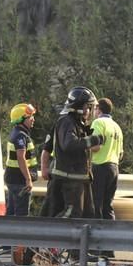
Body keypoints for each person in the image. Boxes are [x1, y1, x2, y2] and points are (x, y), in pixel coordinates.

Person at [45, 87, 105, 219]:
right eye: (88, 107)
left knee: (87, 215)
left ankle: (82, 239)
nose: (89, 111)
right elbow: (69, 144)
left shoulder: (76, 123)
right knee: (72, 214)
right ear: (79, 107)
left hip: (78, 178)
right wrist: (93, 139)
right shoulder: (67, 122)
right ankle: (53, 234)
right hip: (70, 179)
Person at [90, 98, 124, 220]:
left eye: (94, 109)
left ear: (99, 109)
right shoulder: (117, 127)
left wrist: (83, 147)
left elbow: (95, 146)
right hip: (114, 168)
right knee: (108, 205)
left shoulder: (98, 123)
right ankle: (110, 235)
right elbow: (121, 154)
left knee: (96, 204)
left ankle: (96, 235)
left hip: (100, 166)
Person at [4, 103, 38, 216]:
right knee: (21, 215)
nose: (33, 119)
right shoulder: (20, 136)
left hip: (13, 178)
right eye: (30, 117)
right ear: (21, 120)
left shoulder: (17, 133)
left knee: (11, 212)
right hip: (19, 180)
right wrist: (28, 179)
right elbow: (20, 157)